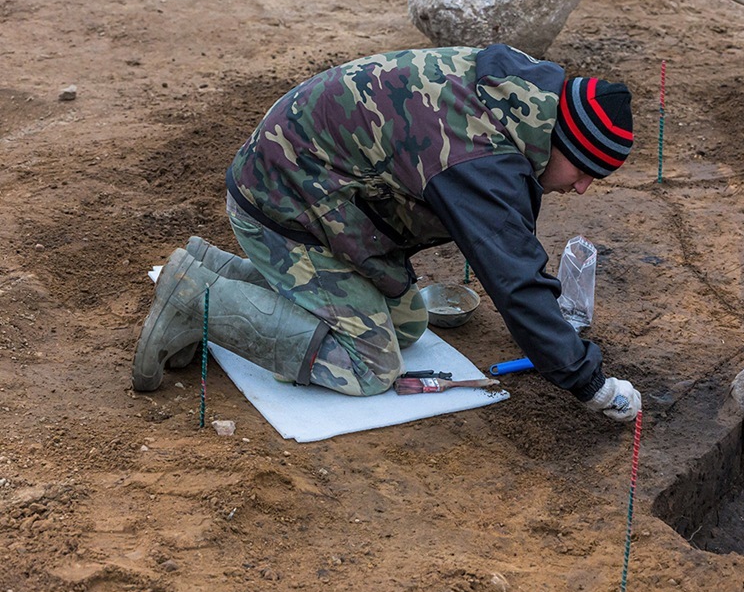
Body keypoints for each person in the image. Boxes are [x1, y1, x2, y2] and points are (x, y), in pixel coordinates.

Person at [132, 43, 641, 422]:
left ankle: (214, 270)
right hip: (283, 203)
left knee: (406, 325)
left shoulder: (518, 93)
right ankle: (196, 299)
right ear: (563, 141)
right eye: (585, 170)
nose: (582, 189)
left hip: (313, 190)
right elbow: (515, 277)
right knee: (370, 364)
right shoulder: (480, 157)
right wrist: (588, 381)